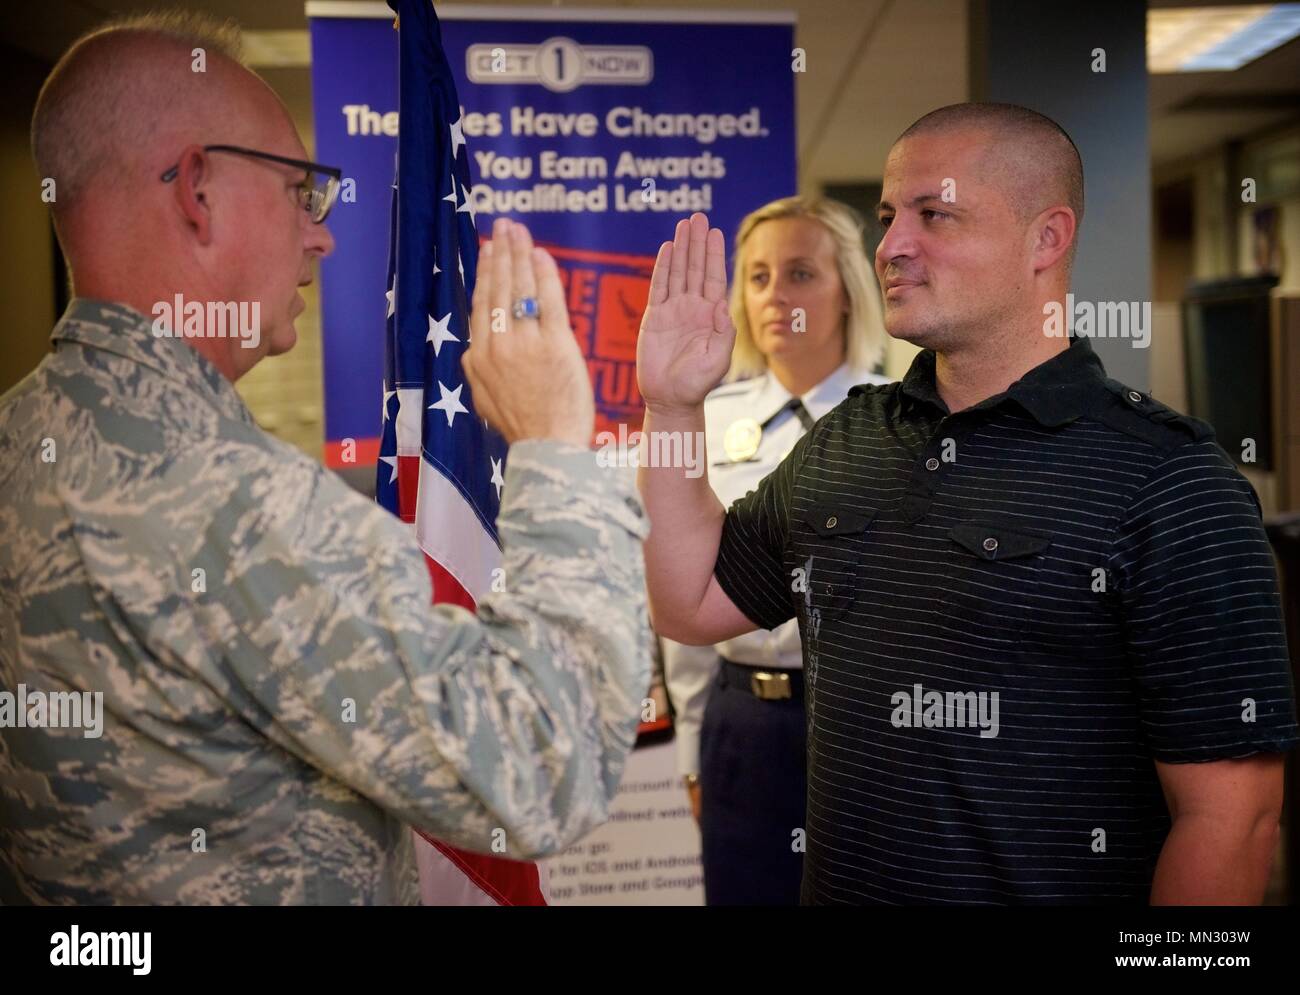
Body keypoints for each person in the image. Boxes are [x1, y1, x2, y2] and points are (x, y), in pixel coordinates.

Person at [0, 13, 650, 905]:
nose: (323, 236)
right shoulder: (236, 504)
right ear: (197, 190)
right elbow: (544, 770)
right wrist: (554, 448)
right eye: (301, 191)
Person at [636, 103, 1299, 905]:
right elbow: (689, 598)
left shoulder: (1170, 480)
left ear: (1046, 239)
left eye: (935, 214)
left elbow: (1233, 819)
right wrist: (672, 407)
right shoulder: (849, 439)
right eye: (886, 218)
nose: (890, 247)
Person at [660, 196, 889, 904]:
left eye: (799, 273)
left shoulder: (906, 420)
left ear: (848, 291)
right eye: (757, 277)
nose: (774, 295)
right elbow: (686, 605)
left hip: (868, 721)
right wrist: (694, 745)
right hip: (745, 724)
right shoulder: (703, 416)